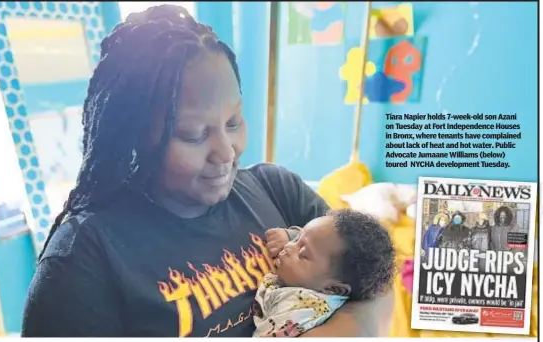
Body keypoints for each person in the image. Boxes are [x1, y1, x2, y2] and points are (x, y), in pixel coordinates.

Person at [21, 5, 392, 337]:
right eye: (194, 134)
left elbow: (375, 281)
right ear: (137, 135)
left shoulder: (276, 189)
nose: (227, 153)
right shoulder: (81, 262)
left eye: (234, 121)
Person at [253, 209, 395, 337]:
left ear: (333, 288)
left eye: (302, 254)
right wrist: (289, 234)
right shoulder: (326, 270)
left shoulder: (298, 309)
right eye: (296, 239)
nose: (288, 247)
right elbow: (317, 240)